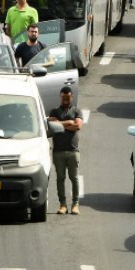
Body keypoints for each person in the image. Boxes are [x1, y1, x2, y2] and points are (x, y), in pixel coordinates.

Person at [48, 86, 83, 215]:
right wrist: (69, 122)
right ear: (60, 97)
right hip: (58, 151)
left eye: (68, 97)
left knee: (74, 178)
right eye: (64, 97)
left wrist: (61, 124)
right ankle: (62, 205)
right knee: (60, 178)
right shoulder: (54, 111)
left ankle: (75, 204)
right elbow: (52, 125)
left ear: (72, 97)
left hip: (73, 151)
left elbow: (78, 126)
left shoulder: (77, 111)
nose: (66, 100)